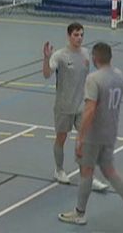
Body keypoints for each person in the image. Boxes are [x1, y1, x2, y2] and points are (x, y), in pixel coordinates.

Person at [58, 42, 123, 232]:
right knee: (109, 170)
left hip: (94, 134)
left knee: (86, 171)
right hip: (111, 130)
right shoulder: (120, 76)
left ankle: (79, 213)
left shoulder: (94, 79)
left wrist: (81, 138)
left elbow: (89, 110)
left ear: (95, 58)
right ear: (110, 57)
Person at [42, 23, 108, 192]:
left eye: (81, 35)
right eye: (76, 35)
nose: (79, 38)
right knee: (61, 138)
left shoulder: (86, 54)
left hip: (81, 107)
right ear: (69, 36)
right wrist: (46, 58)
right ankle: (59, 170)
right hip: (64, 106)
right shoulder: (60, 56)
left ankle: (88, 177)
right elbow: (47, 74)